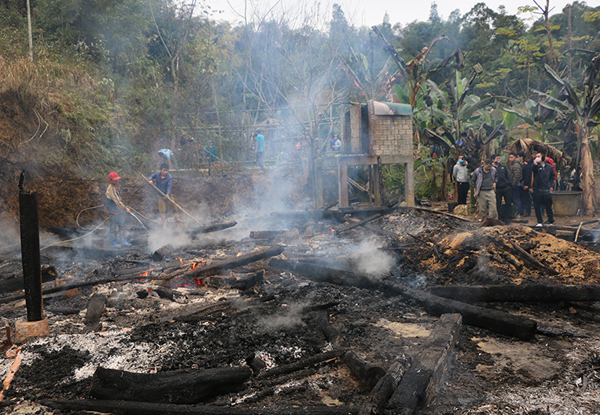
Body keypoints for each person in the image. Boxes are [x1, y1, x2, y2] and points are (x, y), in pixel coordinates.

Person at [148, 163, 179, 230]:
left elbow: (169, 187)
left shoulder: (169, 177)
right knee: (162, 211)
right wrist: (150, 180)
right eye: (164, 170)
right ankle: (164, 225)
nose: (165, 172)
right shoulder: (157, 174)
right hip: (160, 196)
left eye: (167, 170)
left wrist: (167, 194)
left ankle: (176, 218)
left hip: (169, 195)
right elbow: (151, 176)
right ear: (160, 170)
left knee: (174, 207)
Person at [105, 172, 132, 248]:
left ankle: (123, 241)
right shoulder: (111, 188)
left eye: (117, 180)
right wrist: (125, 208)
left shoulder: (116, 186)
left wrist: (123, 207)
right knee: (113, 227)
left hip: (118, 209)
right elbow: (116, 200)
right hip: (112, 210)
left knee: (122, 225)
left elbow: (119, 198)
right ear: (110, 180)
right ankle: (113, 243)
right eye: (115, 180)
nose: (117, 181)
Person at [531, 152, 555, 226]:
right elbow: (532, 170)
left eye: (539, 156)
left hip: (546, 189)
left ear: (542, 158)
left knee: (548, 206)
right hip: (537, 189)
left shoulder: (549, 167)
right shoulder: (535, 166)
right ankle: (539, 221)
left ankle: (551, 221)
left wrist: (551, 186)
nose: (537, 157)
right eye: (536, 156)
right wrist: (534, 164)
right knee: (537, 206)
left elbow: (552, 177)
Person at [492, 154, 512, 222]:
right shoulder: (491, 168)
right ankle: (500, 217)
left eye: (499, 158)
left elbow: (508, 175)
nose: (498, 159)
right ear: (493, 160)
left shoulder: (503, 166)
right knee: (498, 203)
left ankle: (508, 217)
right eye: (497, 158)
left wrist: (510, 183)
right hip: (497, 188)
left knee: (508, 202)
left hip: (506, 187)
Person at [508, 152, 523, 218]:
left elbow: (517, 175)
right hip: (516, 184)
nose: (510, 159)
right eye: (509, 157)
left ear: (516, 157)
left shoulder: (516, 165)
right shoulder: (514, 164)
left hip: (516, 184)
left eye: (512, 157)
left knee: (516, 199)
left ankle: (517, 213)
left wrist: (514, 183)